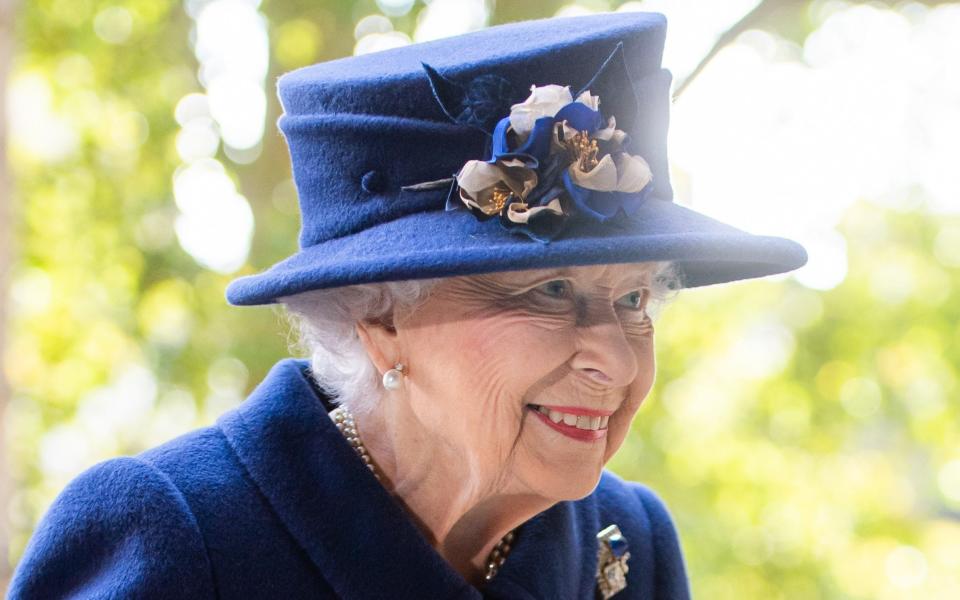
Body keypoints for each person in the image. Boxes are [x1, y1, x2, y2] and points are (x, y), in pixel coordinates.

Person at [8, 11, 807, 600]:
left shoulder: (628, 541)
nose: (618, 357)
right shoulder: (180, 538)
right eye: (552, 291)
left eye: (634, 297)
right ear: (381, 318)